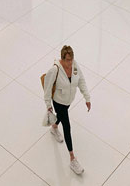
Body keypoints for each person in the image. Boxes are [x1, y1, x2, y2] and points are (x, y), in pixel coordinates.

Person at [42, 45, 91, 176]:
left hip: (68, 100)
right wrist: (48, 105)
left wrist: (87, 97)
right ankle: (72, 158)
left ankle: (54, 127)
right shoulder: (55, 69)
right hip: (58, 101)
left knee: (61, 117)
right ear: (62, 59)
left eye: (71, 59)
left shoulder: (75, 66)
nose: (70, 63)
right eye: (67, 60)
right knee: (67, 126)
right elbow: (47, 88)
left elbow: (81, 81)